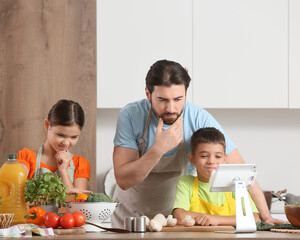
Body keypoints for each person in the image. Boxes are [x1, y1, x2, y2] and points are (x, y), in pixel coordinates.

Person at [111, 59, 285, 227]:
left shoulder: (198, 118)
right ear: (148, 94)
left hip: (177, 219)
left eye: (178, 99)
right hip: (133, 218)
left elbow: (241, 173)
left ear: (186, 94)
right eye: (162, 100)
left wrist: (266, 216)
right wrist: (158, 149)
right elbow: (124, 180)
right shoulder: (130, 116)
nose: (171, 108)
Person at [173, 127, 260, 226]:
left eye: (218, 156)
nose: (211, 161)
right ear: (192, 159)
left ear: (225, 159)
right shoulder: (186, 183)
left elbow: (254, 218)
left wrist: (217, 220)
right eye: (204, 156)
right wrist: (211, 219)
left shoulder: (235, 183)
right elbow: (179, 216)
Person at [17, 99, 91, 193]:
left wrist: (63, 172)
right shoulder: (26, 158)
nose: (66, 143)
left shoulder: (81, 164)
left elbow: (78, 202)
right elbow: (16, 192)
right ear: (47, 125)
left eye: (73, 137)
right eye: (60, 135)